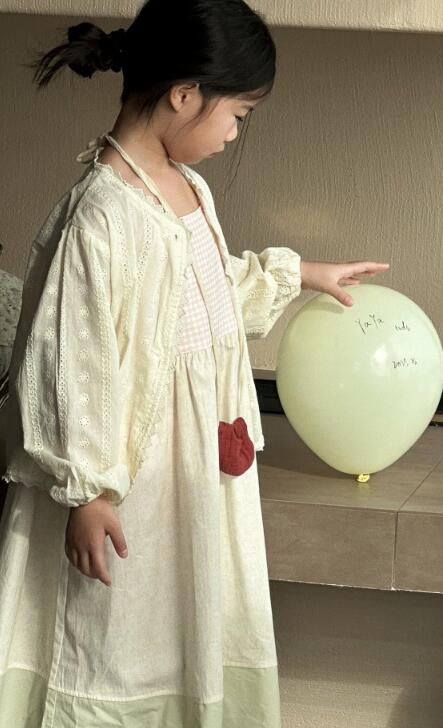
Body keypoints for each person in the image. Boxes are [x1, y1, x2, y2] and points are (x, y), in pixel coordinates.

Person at [0, 1, 390, 725]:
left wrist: (302, 273)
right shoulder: (102, 216)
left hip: (193, 474)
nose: (235, 132)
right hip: (132, 485)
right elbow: (69, 360)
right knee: (117, 634)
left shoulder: (185, 188)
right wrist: (87, 493)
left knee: (186, 623)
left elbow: (200, 300)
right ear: (185, 94)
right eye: (237, 114)